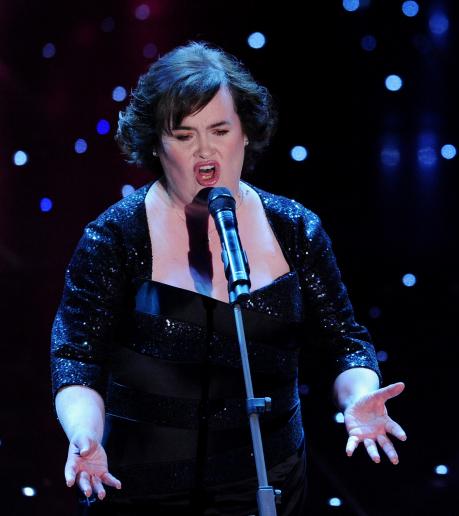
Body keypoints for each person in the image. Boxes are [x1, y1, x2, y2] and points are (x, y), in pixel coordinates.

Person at [50, 41, 406, 515]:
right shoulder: (113, 237)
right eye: (183, 134)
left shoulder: (296, 229)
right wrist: (84, 434)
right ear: (157, 143)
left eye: (219, 129)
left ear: (244, 134)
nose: (205, 151)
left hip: (266, 485)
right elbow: (76, 359)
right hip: (140, 490)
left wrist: (360, 395)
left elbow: (344, 342)